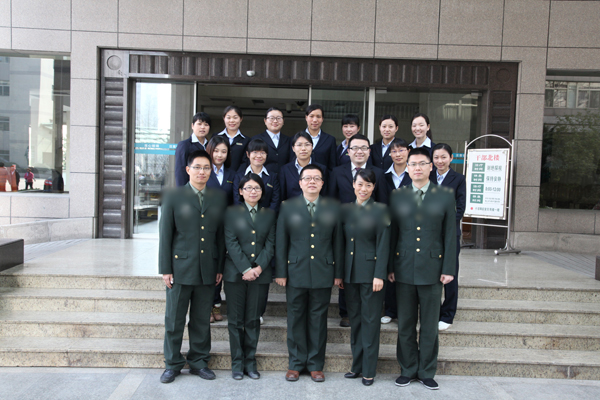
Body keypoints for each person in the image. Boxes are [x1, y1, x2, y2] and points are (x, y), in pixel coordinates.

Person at [388, 147, 456, 390]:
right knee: (405, 324)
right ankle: (407, 369)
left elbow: (450, 234)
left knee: (429, 326)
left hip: (432, 268)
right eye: (413, 164)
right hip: (403, 267)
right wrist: (390, 266)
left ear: (430, 167)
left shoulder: (445, 195)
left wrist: (448, 268)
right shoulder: (398, 195)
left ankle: (427, 371)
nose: (417, 168)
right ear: (407, 168)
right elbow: (392, 233)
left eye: (422, 164)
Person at [158, 149, 227, 384]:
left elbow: (220, 236)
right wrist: (166, 269)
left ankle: (199, 362)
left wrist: (219, 267)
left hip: (207, 269)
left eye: (206, 168)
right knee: (174, 320)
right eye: (197, 167)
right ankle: (172, 364)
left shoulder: (217, 198)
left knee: (201, 320)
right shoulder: (174, 197)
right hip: (180, 269)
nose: (202, 172)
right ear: (188, 170)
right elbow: (165, 235)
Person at [275, 164, 343, 383]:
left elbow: (338, 242)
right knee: (295, 318)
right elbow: (281, 240)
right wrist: (281, 272)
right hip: (295, 271)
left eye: (316, 178)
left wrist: (338, 272)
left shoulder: (333, 207)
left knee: (318, 319)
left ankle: (315, 364)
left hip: (323, 271)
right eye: (307, 178)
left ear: (322, 183)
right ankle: (295, 363)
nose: (312, 182)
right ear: (300, 182)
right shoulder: (288, 206)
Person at [329, 134, 388, 326]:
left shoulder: (378, 173)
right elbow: (332, 199)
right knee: (347, 271)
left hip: (369, 230)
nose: (359, 151)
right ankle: (346, 312)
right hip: (345, 226)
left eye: (363, 148)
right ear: (348, 151)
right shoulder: (337, 172)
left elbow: (382, 200)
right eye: (355, 148)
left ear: (369, 151)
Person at [223, 173, 276, 380]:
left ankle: (250, 363)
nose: (253, 192)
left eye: (257, 188)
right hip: (235, 273)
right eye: (248, 188)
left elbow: (271, 243)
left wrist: (259, 268)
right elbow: (231, 242)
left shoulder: (269, 214)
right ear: (240, 191)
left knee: (253, 320)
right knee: (235, 321)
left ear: (262, 191)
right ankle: (237, 364)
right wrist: (246, 268)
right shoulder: (231, 213)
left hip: (260, 275)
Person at [341, 169, 390, 386]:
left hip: (371, 275)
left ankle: (369, 370)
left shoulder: (380, 210)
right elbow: (341, 243)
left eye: (368, 185)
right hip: (350, 274)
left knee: (370, 322)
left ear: (373, 187)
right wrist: (340, 274)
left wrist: (379, 274)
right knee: (356, 321)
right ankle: (357, 366)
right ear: (353, 185)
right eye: (360, 184)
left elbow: (383, 243)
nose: (363, 189)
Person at [430, 143, 466, 332]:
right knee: (433, 274)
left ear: (451, 158)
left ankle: (448, 314)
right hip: (430, 235)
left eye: (444, 157)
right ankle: (433, 312)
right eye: (436, 157)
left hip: (450, 234)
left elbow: (460, 208)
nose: (440, 161)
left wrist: (442, 224)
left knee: (451, 273)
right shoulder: (428, 177)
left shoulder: (458, 179)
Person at [205, 135, 237, 323]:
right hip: (206, 226)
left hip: (225, 227)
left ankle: (217, 304)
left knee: (220, 265)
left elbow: (235, 201)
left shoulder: (232, 174)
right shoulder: (203, 171)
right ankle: (207, 305)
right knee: (209, 264)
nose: (219, 155)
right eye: (216, 150)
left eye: (223, 151)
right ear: (209, 151)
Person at [381, 138, 412, 325]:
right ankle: (390, 310)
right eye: (394, 151)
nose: (398, 154)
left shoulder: (415, 174)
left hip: (410, 228)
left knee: (407, 268)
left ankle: (405, 311)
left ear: (408, 151)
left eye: (401, 150)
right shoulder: (384, 176)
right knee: (390, 266)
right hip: (389, 226)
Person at [233, 139, 281, 212]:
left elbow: (275, 200)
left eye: (262, 152)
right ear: (248, 154)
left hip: (267, 217)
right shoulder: (239, 176)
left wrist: (267, 216)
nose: (259, 156)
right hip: (244, 216)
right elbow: (237, 200)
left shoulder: (273, 177)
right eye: (255, 152)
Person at [279, 131, 328, 201]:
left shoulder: (322, 169)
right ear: (293, 148)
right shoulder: (285, 170)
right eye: (299, 145)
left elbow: (325, 194)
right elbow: (282, 196)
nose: (303, 148)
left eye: (307, 145)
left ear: (312, 147)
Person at [250, 107, 292, 175]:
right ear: (265, 121)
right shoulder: (256, 139)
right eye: (271, 118)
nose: (275, 121)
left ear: (283, 121)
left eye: (278, 118)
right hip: (263, 177)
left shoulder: (289, 140)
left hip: (284, 177)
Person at [175, 112, 211, 187]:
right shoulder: (184, 145)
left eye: (206, 125)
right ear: (192, 126)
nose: (202, 127)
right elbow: (180, 171)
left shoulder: (210, 146)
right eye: (199, 124)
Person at [217, 106, 249, 172]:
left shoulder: (246, 140)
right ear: (224, 118)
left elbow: (245, 162)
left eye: (235, 117)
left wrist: (238, 176)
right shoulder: (216, 137)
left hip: (238, 176)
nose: (231, 121)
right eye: (228, 117)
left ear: (241, 119)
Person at [304, 105, 337, 171]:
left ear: (322, 119)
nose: (315, 120)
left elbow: (332, 166)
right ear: (306, 117)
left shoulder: (330, 140)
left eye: (318, 117)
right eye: (311, 116)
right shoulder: (297, 139)